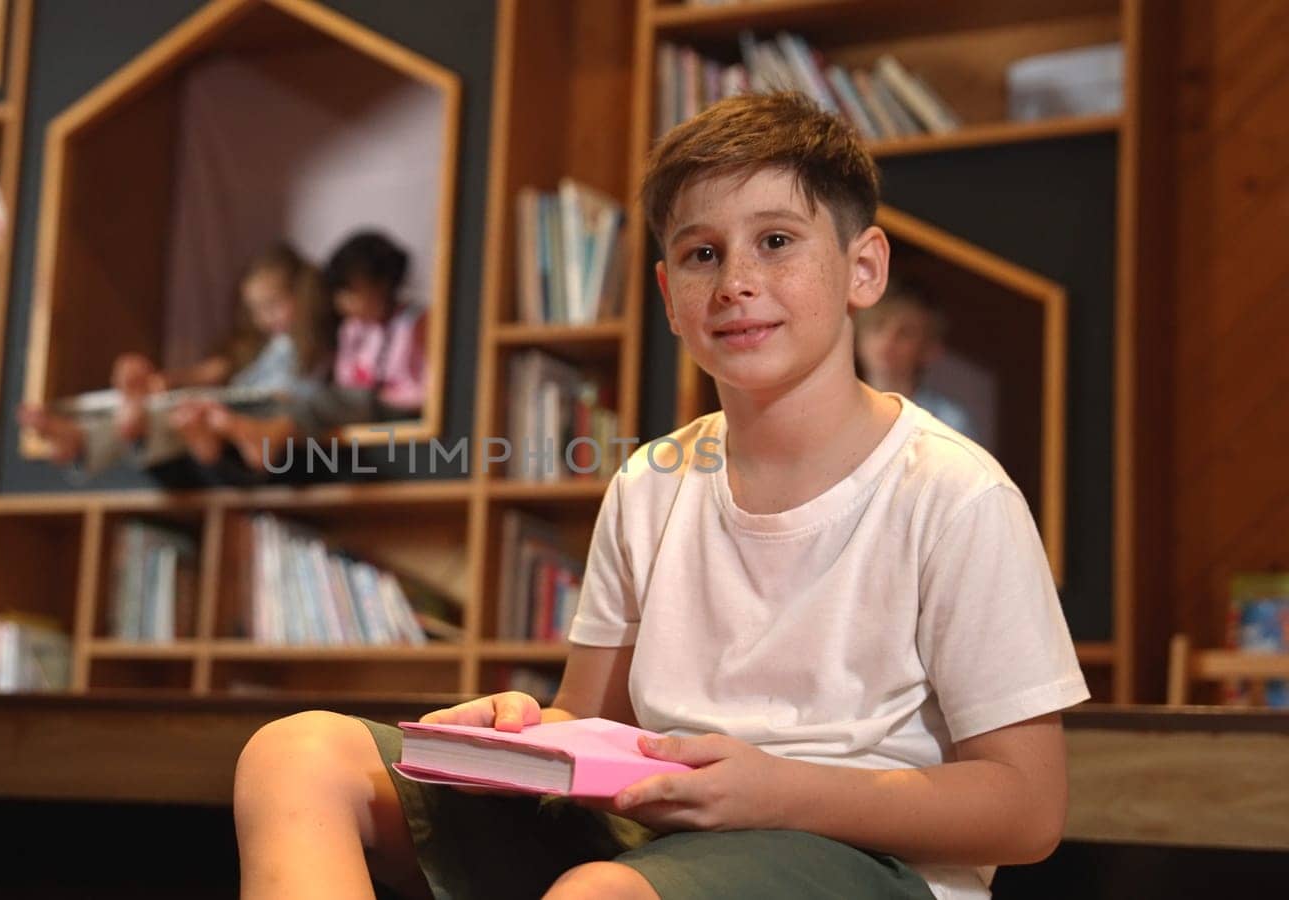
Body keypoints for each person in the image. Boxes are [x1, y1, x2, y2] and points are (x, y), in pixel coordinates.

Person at [231, 91, 1088, 900]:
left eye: (778, 241)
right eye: (702, 253)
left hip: (869, 861)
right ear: (668, 297)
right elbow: (589, 721)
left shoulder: (955, 493)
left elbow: (1025, 809)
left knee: (602, 893)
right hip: (655, 837)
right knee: (293, 754)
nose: (735, 281)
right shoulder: (650, 483)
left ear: (864, 269)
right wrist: (519, 734)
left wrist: (778, 792)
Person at [16, 243, 334, 476]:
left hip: (267, 411)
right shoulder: (255, 349)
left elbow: (312, 397)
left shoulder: (313, 346)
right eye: (257, 310)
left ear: (303, 295)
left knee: (174, 419)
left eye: (274, 305)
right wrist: (167, 381)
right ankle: (87, 434)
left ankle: (91, 437)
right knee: (171, 414)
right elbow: (210, 371)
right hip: (229, 406)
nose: (266, 318)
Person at [173, 230, 429, 470]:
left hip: (387, 403)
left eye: (351, 292)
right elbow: (346, 377)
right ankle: (211, 444)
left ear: (382, 285)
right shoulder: (353, 330)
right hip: (350, 399)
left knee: (320, 402)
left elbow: (424, 385)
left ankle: (262, 438)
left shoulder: (413, 322)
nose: (342, 303)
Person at [855, 280, 975, 437]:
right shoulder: (834, 404)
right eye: (878, 325)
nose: (888, 340)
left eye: (906, 332)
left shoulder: (950, 422)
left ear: (930, 349)